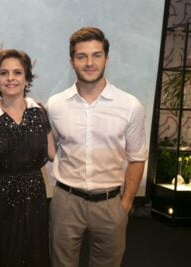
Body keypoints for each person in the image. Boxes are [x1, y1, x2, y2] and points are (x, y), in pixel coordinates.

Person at [47, 27, 148, 267]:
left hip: (111, 204)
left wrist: (125, 205)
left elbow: (137, 158)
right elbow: (53, 151)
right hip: (66, 203)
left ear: (107, 58)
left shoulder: (130, 105)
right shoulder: (56, 104)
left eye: (97, 55)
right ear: (71, 61)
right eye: (81, 56)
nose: (89, 62)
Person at [0, 49, 56, 266]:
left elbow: (52, 154)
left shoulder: (39, 112)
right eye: (4, 73)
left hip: (33, 194)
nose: (11, 78)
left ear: (27, 78)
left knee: (31, 252)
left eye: (17, 73)